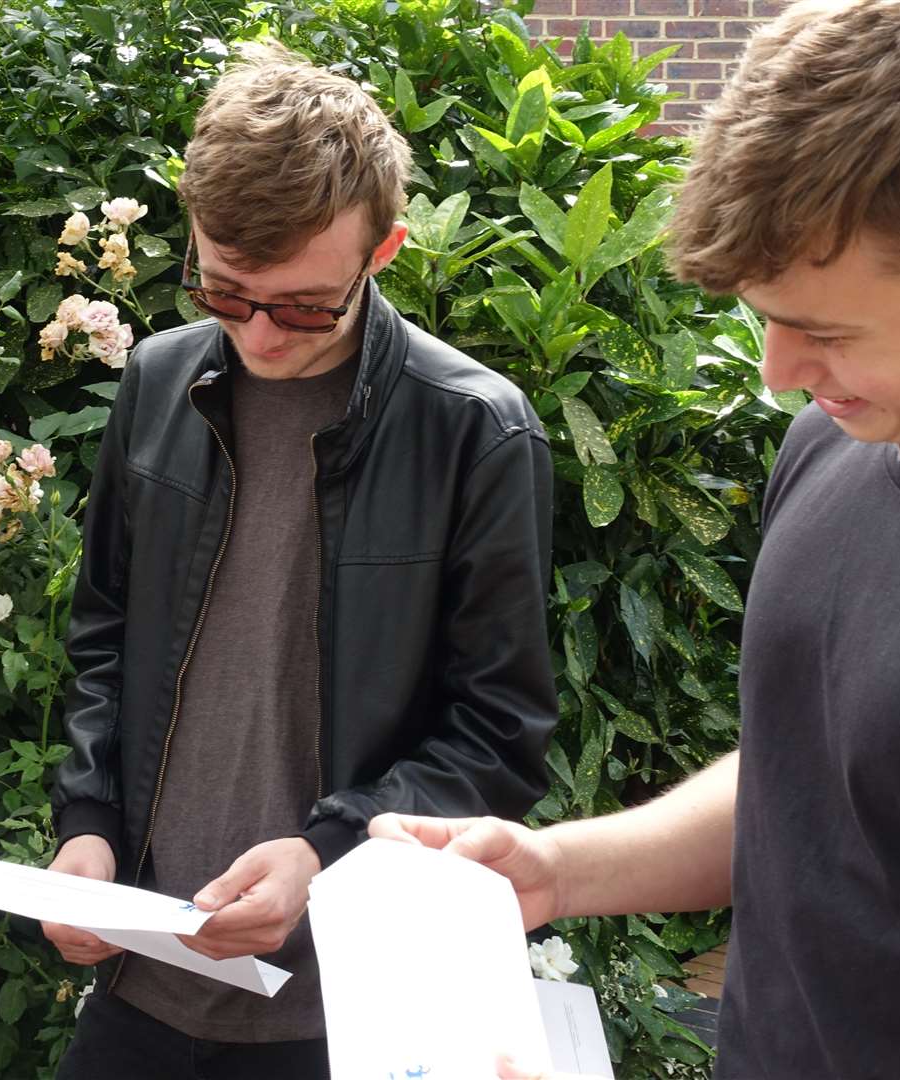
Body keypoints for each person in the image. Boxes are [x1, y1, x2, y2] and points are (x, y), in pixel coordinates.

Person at [371, 2, 900, 1077]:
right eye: (767, 316)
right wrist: (558, 869)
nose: (776, 371)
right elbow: (825, 774)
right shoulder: (833, 444)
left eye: (827, 331)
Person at [44, 42, 560, 1077]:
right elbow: (102, 632)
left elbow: (498, 735)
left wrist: (326, 856)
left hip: (348, 1008)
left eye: (303, 304)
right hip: (141, 973)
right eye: (226, 293)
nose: (261, 336)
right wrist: (87, 822)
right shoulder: (157, 379)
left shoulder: (475, 431)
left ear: (386, 251)